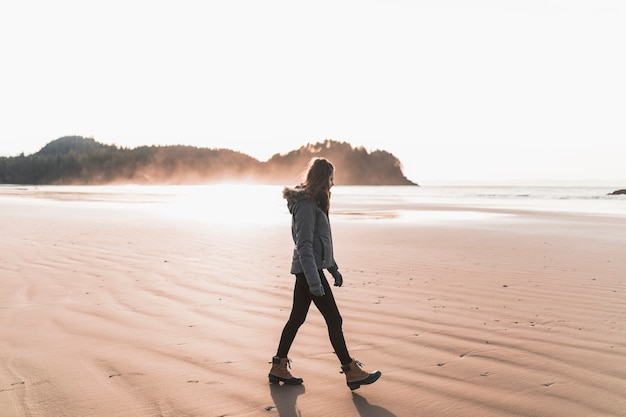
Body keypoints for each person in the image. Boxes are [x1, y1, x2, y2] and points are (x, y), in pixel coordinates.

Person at [268, 157, 381, 391]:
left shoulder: (314, 202)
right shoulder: (308, 206)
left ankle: (278, 365)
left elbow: (321, 244)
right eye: (331, 179)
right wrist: (315, 283)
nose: (333, 184)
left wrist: (332, 267)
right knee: (334, 320)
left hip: (309, 270)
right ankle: (351, 371)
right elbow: (305, 246)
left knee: (297, 319)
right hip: (308, 272)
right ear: (322, 179)